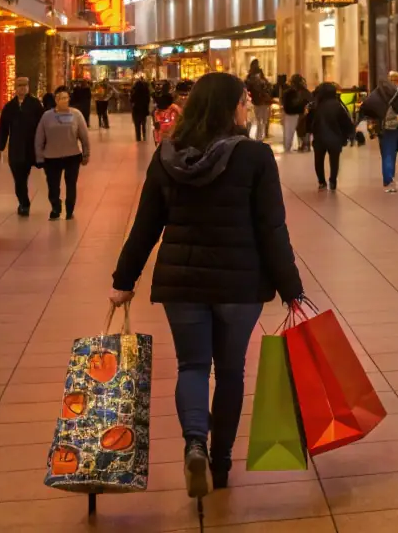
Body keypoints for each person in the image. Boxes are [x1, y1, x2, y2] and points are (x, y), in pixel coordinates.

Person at [109, 73, 306, 499]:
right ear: (230, 108)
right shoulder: (254, 156)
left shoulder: (167, 156)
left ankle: (194, 444)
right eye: (243, 101)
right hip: (240, 283)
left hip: (183, 284)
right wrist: (291, 287)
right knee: (231, 371)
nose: (246, 107)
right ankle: (221, 462)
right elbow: (272, 228)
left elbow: (145, 226)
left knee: (192, 366)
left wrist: (124, 280)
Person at [35, 86, 91, 220]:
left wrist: (86, 153)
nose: (64, 101)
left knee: (71, 184)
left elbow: (84, 136)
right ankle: (56, 207)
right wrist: (39, 157)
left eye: (66, 98)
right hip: (52, 157)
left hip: (72, 155)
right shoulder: (47, 116)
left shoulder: (76, 114)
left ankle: (70, 208)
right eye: (61, 98)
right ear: (56, 100)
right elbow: (39, 137)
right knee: (53, 185)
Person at [360, 70, 398, 192]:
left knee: (388, 155)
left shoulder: (379, 93)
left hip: (386, 129)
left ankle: (389, 181)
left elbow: (368, 107)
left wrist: (375, 121)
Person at [0, 77, 45, 216]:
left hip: (32, 147)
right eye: (19, 86)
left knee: (30, 175)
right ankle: (23, 203)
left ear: (28, 87)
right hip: (16, 148)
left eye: (24, 85)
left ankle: (51, 203)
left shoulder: (35, 105)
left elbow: (43, 125)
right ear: (15, 88)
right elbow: (3, 128)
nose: (22, 88)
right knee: (19, 178)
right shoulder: (10, 107)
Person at [306, 82, 356, 190]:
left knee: (318, 161)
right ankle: (333, 181)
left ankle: (321, 182)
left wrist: (309, 130)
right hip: (335, 138)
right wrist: (350, 135)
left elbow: (309, 122)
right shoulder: (337, 105)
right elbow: (345, 122)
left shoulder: (316, 105)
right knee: (334, 161)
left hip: (319, 138)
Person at [245, 60, 275, 142]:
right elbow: (267, 87)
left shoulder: (250, 77)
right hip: (261, 101)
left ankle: (259, 136)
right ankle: (260, 136)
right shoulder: (259, 77)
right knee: (262, 120)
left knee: (259, 120)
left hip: (257, 101)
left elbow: (247, 87)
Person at [280, 74, 310, 152]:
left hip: (290, 113)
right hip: (301, 112)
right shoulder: (305, 91)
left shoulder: (288, 92)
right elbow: (309, 100)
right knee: (303, 129)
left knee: (289, 131)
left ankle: (288, 148)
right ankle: (305, 145)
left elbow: (283, 101)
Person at [130, 77, 152, 141]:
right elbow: (148, 101)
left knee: (137, 125)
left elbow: (131, 100)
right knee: (144, 124)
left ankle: (138, 137)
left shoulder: (134, 93)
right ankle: (144, 136)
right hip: (144, 110)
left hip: (136, 110)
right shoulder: (146, 93)